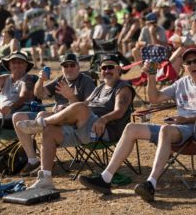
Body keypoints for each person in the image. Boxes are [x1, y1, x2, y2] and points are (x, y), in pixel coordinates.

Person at [78, 48, 196, 202]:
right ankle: (105, 179)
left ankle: (151, 184)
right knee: (131, 128)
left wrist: (188, 120)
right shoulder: (182, 83)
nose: (193, 65)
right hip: (179, 128)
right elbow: (154, 98)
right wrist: (151, 76)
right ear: (184, 66)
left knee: (165, 130)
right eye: (188, 62)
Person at [16, 54, 135, 189]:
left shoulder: (122, 87)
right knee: (49, 131)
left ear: (119, 69)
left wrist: (103, 119)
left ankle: (40, 123)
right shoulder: (100, 87)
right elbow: (84, 103)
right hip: (83, 128)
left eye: (110, 67)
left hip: (103, 130)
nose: (107, 71)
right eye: (104, 68)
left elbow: (119, 111)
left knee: (79, 108)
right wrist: (67, 108)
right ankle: (46, 178)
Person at [12, 53, 95, 176]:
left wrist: (71, 97)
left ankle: (45, 159)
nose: (69, 68)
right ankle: (33, 160)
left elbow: (87, 108)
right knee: (17, 117)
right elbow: (39, 94)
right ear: (62, 68)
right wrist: (41, 80)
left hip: (72, 124)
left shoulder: (86, 81)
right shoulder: (60, 80)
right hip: (53, 116)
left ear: (78, 67)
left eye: (72, 65)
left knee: (42, 115)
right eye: (65, 66)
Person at [0, 51, 35, 168]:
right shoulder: (6, 79)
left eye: (20, 62)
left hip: (16, 122)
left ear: (26, 65)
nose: (17, 65)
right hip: (1, 120)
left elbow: (24, 96)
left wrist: (11, 108)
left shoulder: (27, 80)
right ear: (9, 66)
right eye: (13, 62)